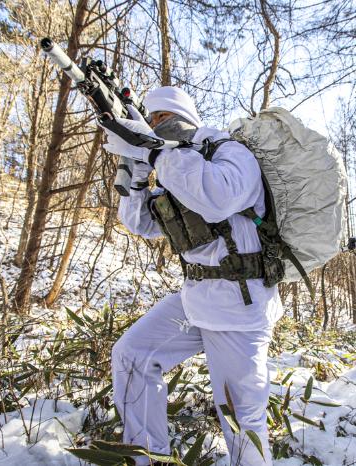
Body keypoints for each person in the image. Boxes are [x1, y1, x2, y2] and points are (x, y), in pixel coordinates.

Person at [103, 86, 283, 465]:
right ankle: (148, 458)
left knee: (240, 417)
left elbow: (217, 199)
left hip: (239, 305)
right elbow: (140, 222)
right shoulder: (175, 163)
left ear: (186, 119)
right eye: (150, 121)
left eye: (162, 119)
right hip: (196, 299)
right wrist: (135, 171)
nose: (155, 126)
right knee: (132, 356)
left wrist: (153, 150)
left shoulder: (228, 152)